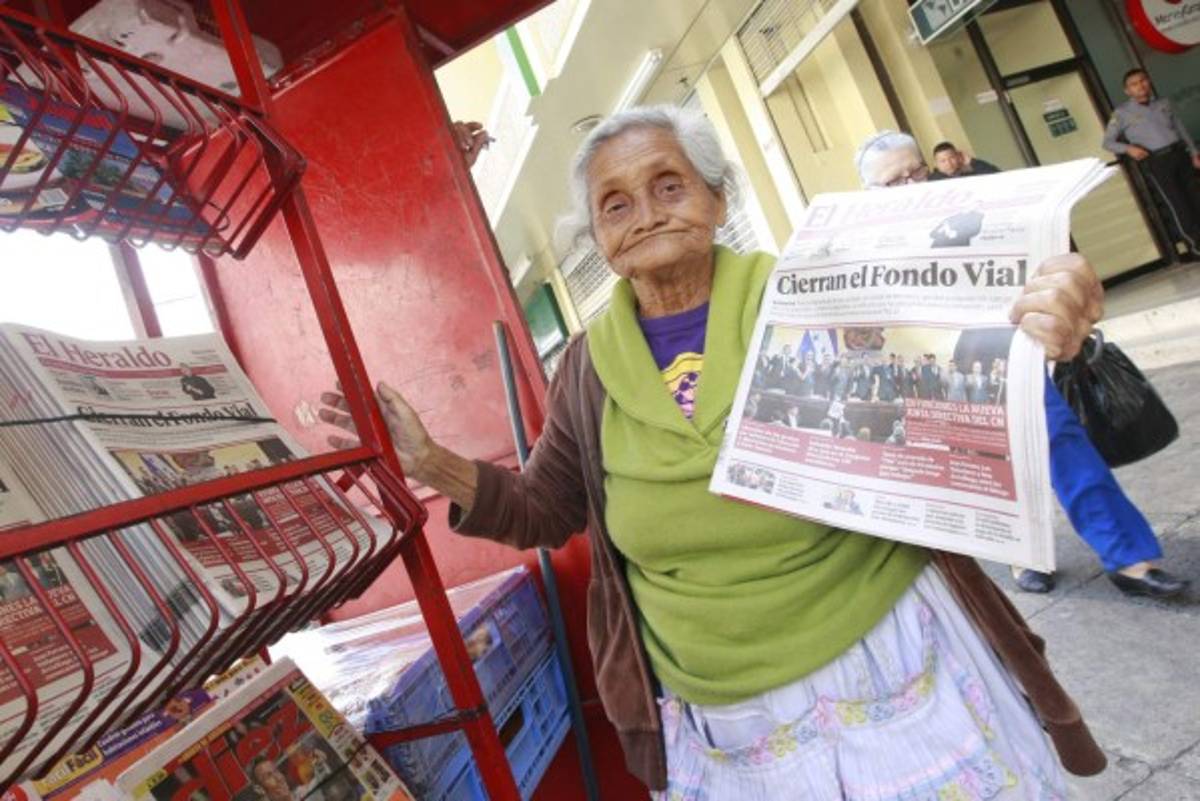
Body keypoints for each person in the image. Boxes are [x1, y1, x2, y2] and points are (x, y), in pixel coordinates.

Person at [322, 106, 1109, 799]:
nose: (647, 214)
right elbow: (546, 507)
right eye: (616, 204)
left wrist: (1047, 330)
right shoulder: (589, 367)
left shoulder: (813, 292)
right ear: (600, 238)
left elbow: (952, 380)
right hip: (723, 714)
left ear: (716, 199)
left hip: (894, 654)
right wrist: (430, 461)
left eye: (670, 185)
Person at [858, 129, 1189, 598]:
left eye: (917, 171)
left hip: (1008, 345)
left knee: (1061, 440)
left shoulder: (972, 208)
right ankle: (1022, 554)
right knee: (988, 464)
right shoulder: (864, 245)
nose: (913, 185)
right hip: (934, 367)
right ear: (870, 195)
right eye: (896, 182)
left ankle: (1128, 557)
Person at [1102, 68, 1200, 257]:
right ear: (1127, 91)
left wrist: (1194, 152)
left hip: (1180, 154)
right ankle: (1195, 243)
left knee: (1195, 196)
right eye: (1134, 84)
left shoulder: (1163, 103)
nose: (1140, 86)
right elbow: (1107, 142)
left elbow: (1179, 127)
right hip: (1157, 161)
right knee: (1178, 203)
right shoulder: (1122, 113)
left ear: (1148, 82)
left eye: (1143, 81)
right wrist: (1129, 149)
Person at [928, 140, 1001, 180]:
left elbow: (997, 176)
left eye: (952, 158)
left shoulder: (968, 174)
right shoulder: (934, 181)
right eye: (943, 161)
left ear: (958, 157)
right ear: (936, 163)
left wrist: (971, 161)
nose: (949, 164)